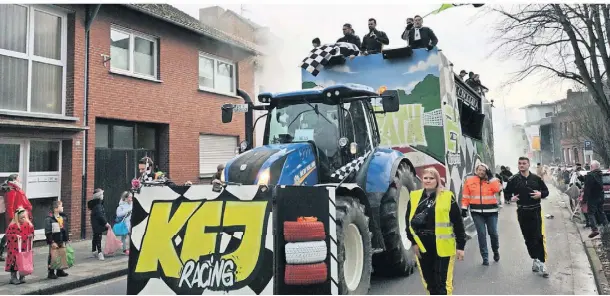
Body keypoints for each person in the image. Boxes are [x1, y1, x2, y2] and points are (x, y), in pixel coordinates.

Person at [406, 167, 465, 295]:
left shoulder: (447, 196)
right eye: (425, 178)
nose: (428, 181)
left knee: (442, 284)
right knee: (430, 283)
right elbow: (408, 222)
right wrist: (413, 243)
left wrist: (461, 246)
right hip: (422, 246)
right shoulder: (415, 196)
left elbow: (458, 222)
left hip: (443, 246)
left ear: (437, 180)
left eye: (431, 178)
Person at [504, 156, 550, 278]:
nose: (522, 165)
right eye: (520, 163)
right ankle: (534, 258)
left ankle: (542, 262)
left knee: (538, 236)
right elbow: (506, 193)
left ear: (529, 165)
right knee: (528, 238)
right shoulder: (513, 179)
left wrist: (541, 194)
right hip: (522, 211)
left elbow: (546, 192)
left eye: (524, 163)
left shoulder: (536, 178)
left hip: (535, 210)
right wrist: (510, 198)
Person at [461, 163, 502, 265]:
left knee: (493, 233)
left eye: (484, 170)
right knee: (481, 234)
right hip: (476, 212)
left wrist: (491, 178)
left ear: (486, 171)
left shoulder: (492, 180)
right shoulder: (469, 180)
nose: (481, 172)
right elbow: (466, 195)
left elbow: (497, 189)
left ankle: (495, 251)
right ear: (476, 170)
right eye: (479, 170)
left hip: (491, 212)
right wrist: (464, 208)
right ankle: (485, 257)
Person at [0, 174, 33, 261]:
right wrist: (11, 218)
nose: (20, 180)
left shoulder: (16, 188)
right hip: (15, 216)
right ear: (14, 180)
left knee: (12, 233)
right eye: (18, 178)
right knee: (11, 234)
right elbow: (10, 205)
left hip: (20, 215)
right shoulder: (11, 190)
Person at [4, 207, 34, 285]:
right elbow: (8, 235)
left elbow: (31, 232)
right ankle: (13, 277)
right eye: (21, 218)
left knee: (23, 262)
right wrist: (15, 236)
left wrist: (30, 236)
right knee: (14, 262)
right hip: (14, 249)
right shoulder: (12, 226)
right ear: (17, 218)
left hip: (24, 247)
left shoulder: (28, 225)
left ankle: (22, 276)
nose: (23, 219)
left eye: (25, 217)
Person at [583, 160, 609, 238]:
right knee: (601, 212)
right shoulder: (600, 174)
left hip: (592, 197)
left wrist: (584, 199)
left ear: (592, 167)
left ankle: (594, 229)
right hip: (601, 197)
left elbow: (587, 188)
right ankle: (606, 227)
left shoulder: (590, 175)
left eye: (591, 166)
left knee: (591, 213)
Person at [44, 200, 69, 279]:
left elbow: (64, 229)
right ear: (55, 209)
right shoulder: (49, 219)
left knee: (61, 254)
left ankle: (59, 271)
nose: (62, 207)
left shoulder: (62, 217)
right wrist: (51, 242)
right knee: (52, 256)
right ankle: (51, 272)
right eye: (61, 206)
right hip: (54, 240)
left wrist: (66, 239)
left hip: (61, 239)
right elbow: (48, 232)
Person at [87, 188, 110, 261]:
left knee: (95, 236)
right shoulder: (98, 205)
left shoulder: (95, 204)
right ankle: (100, 252)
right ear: (99, 196)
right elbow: (100, 215)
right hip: (98, 223)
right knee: (98, 237)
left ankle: (94, 251)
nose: (103, 196)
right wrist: (105, 223)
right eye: (102, 194)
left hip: (95, 223)